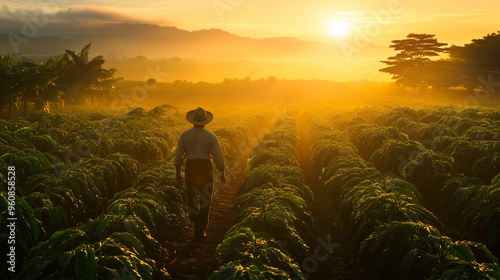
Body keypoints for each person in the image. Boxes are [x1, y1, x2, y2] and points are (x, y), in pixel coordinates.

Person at [174, 107, 226, 242]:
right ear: (205, 121)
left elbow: (178, 155)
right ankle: (200, 229)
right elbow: (217, 156)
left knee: (191, 197)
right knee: (205, 200)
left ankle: (196, 223)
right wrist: (222, 172)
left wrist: (178, 173)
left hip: (191, 167)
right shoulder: (210, 136)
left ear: (193, 121)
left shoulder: (185, 135)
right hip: (205, 168)